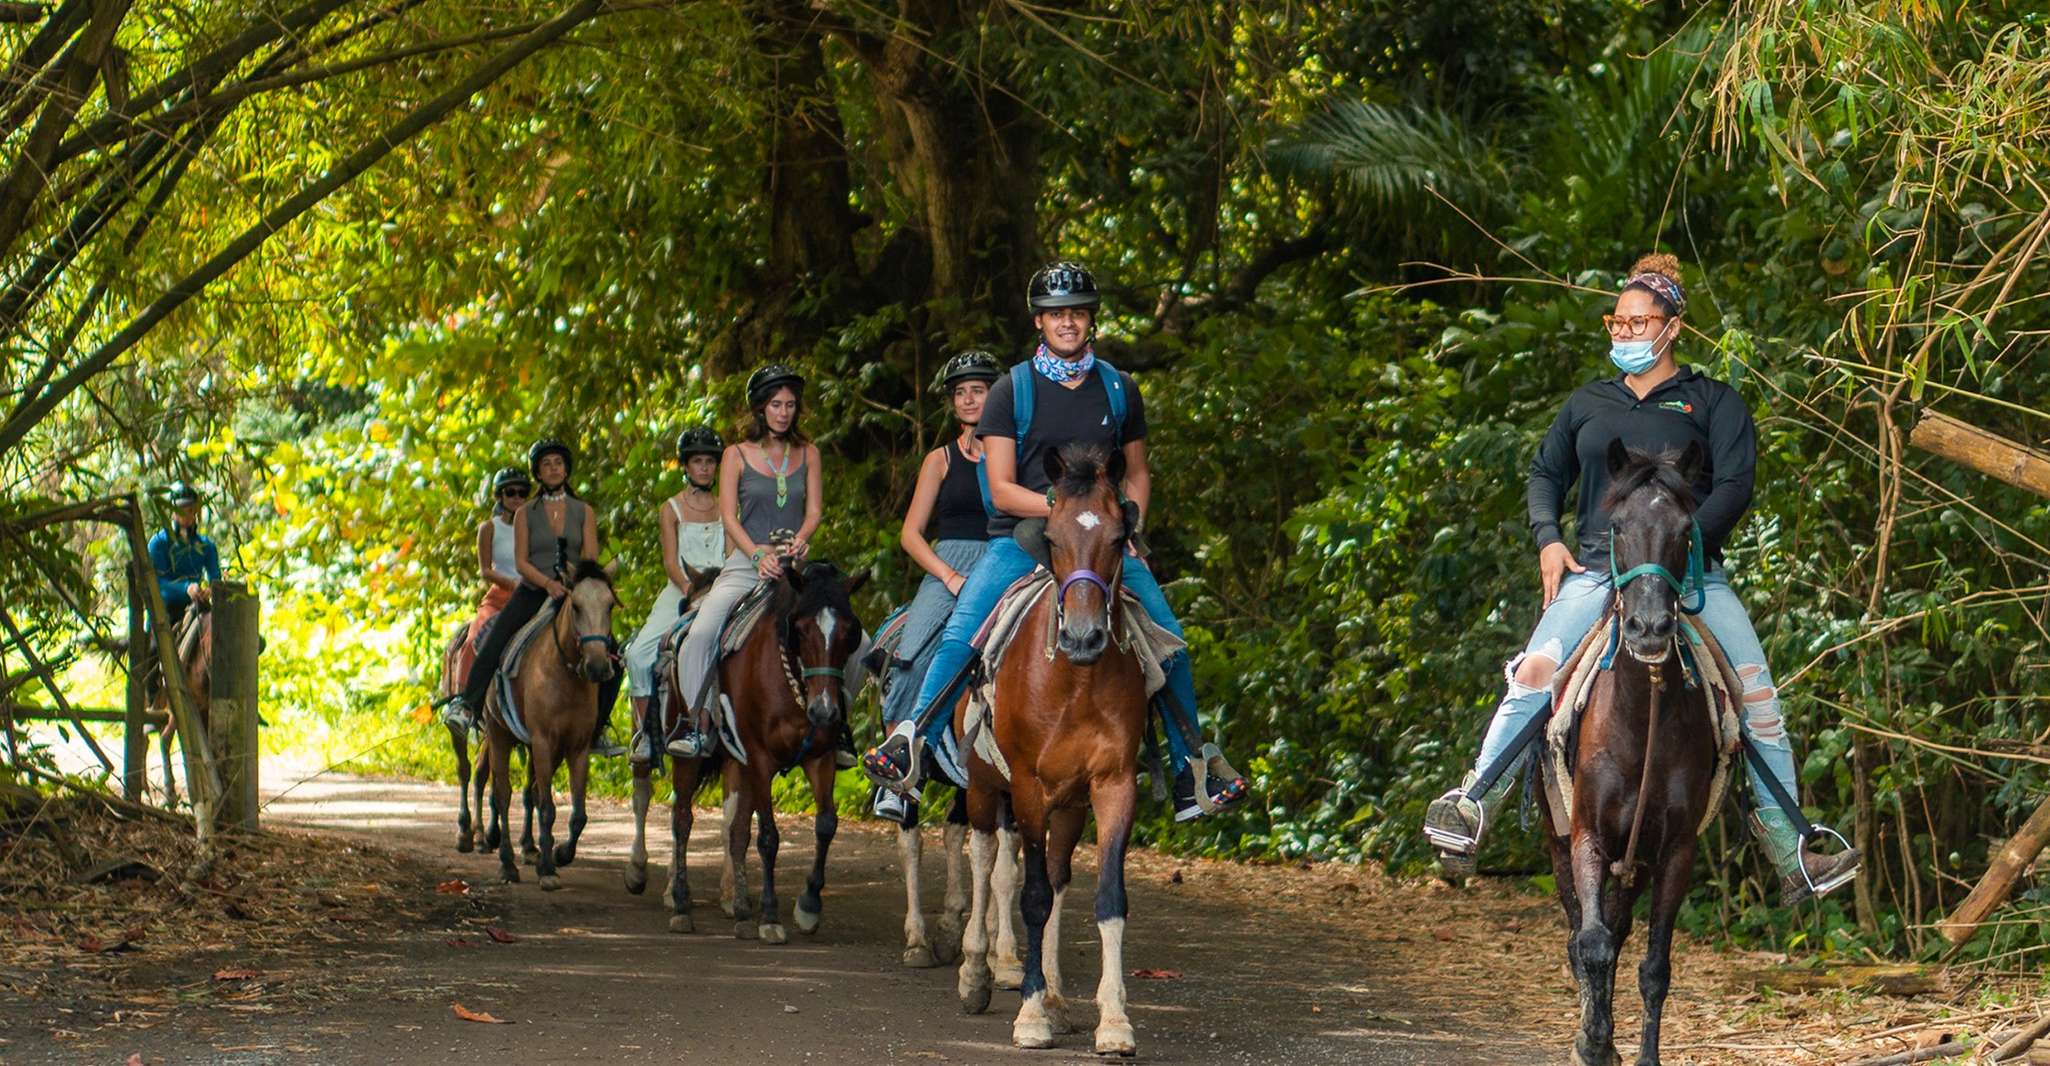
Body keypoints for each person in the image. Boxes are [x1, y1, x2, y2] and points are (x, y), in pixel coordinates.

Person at [1421, 252, 1861, 904]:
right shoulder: (1587, 404)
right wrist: (1548, 540)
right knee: (1535, 674)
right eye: (1617, 323)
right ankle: (1472, 806)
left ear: (1673, 326)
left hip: (1691, 575)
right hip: (1599, 571)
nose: (1625, 334)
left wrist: (1682, 551)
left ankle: (1790, 850)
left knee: (1759, 700)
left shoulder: (1714, 402)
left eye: (1638, 323)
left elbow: (1736, 486)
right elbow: (1546, 474)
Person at [861, 261, 1249, 822]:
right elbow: (998, 488)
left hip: (1100, 543)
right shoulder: (1010, 390)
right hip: (1021, 535)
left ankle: (1194, 768)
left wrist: (1127, 520)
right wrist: (1063, 511)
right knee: (960, 634)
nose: (1067, 323)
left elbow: (1137, 472)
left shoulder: (1118, 387)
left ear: (1090, 319)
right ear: (1040, 322)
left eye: (1077, 313)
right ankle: (910, 744)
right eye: (1056, 314)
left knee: (1170, 641)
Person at [671, 365, 863, 764]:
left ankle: (839, 723)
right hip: (747, 562)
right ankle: (696, 724)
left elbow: (814, 511)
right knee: (701, 633)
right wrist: (757, 555)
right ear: (760, 408)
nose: (784, 412)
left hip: (796, 568)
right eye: (776, 404)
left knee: (859, 642)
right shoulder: (735, 455)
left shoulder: (809, 453)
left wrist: (803, 539)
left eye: (790, 405)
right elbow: (728, 515)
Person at [870, 350, 1002, 822]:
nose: (969, 399)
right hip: (948, 563)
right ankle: (898, 773)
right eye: (961, 392)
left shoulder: (1017, 452)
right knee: (911, 655)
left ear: (996, 395)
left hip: (1005, 559)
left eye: (978, 390)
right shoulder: (939, 459)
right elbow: (910, 533)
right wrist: (948, 576)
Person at [445, 438, 626, 756]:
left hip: (572, 590)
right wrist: (547, 583)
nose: (553, 469)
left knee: (612, 652)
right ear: (538, 473)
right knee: (495, 637)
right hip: (533, 588)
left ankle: (598, 728)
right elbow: (520, 562)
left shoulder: (583, 510)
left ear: (566, 469)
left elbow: (590, 555)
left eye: (558, 463)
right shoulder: (526, 512)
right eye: (546, 464)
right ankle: (468, 705)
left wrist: (573, 583)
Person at [622, 426, 730, 764]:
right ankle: (644, 734)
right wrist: (691, 591)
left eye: (710, 462)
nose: (704, 468)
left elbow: (729, 553)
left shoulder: (728, 506)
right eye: (697, 461)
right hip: (683, 587)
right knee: (638, 653)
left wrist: (719, 591)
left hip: (723, 587)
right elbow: (671, 561)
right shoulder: (671, 509)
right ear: (685, 466)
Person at [442, 467, 531, 729]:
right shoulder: (489, 528)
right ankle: (464, 701)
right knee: (473, 640)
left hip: (531, 593)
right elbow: (485, 570)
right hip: (501, 594)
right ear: (500, 496)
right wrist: (512, 583)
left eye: (522, 493)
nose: (516, 498)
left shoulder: (535, 527)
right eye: (510, 492)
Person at [149, 481, 222, 630]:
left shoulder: (207, 545)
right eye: (181, 510)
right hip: (166, 611)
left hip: (197, 607)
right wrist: (186, 589)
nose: (187, 515)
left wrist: (209, 590)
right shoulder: (158, 543)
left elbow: (216, 579)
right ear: (172, 512)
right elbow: (157, 584)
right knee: (153, 650)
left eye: (191, 510)